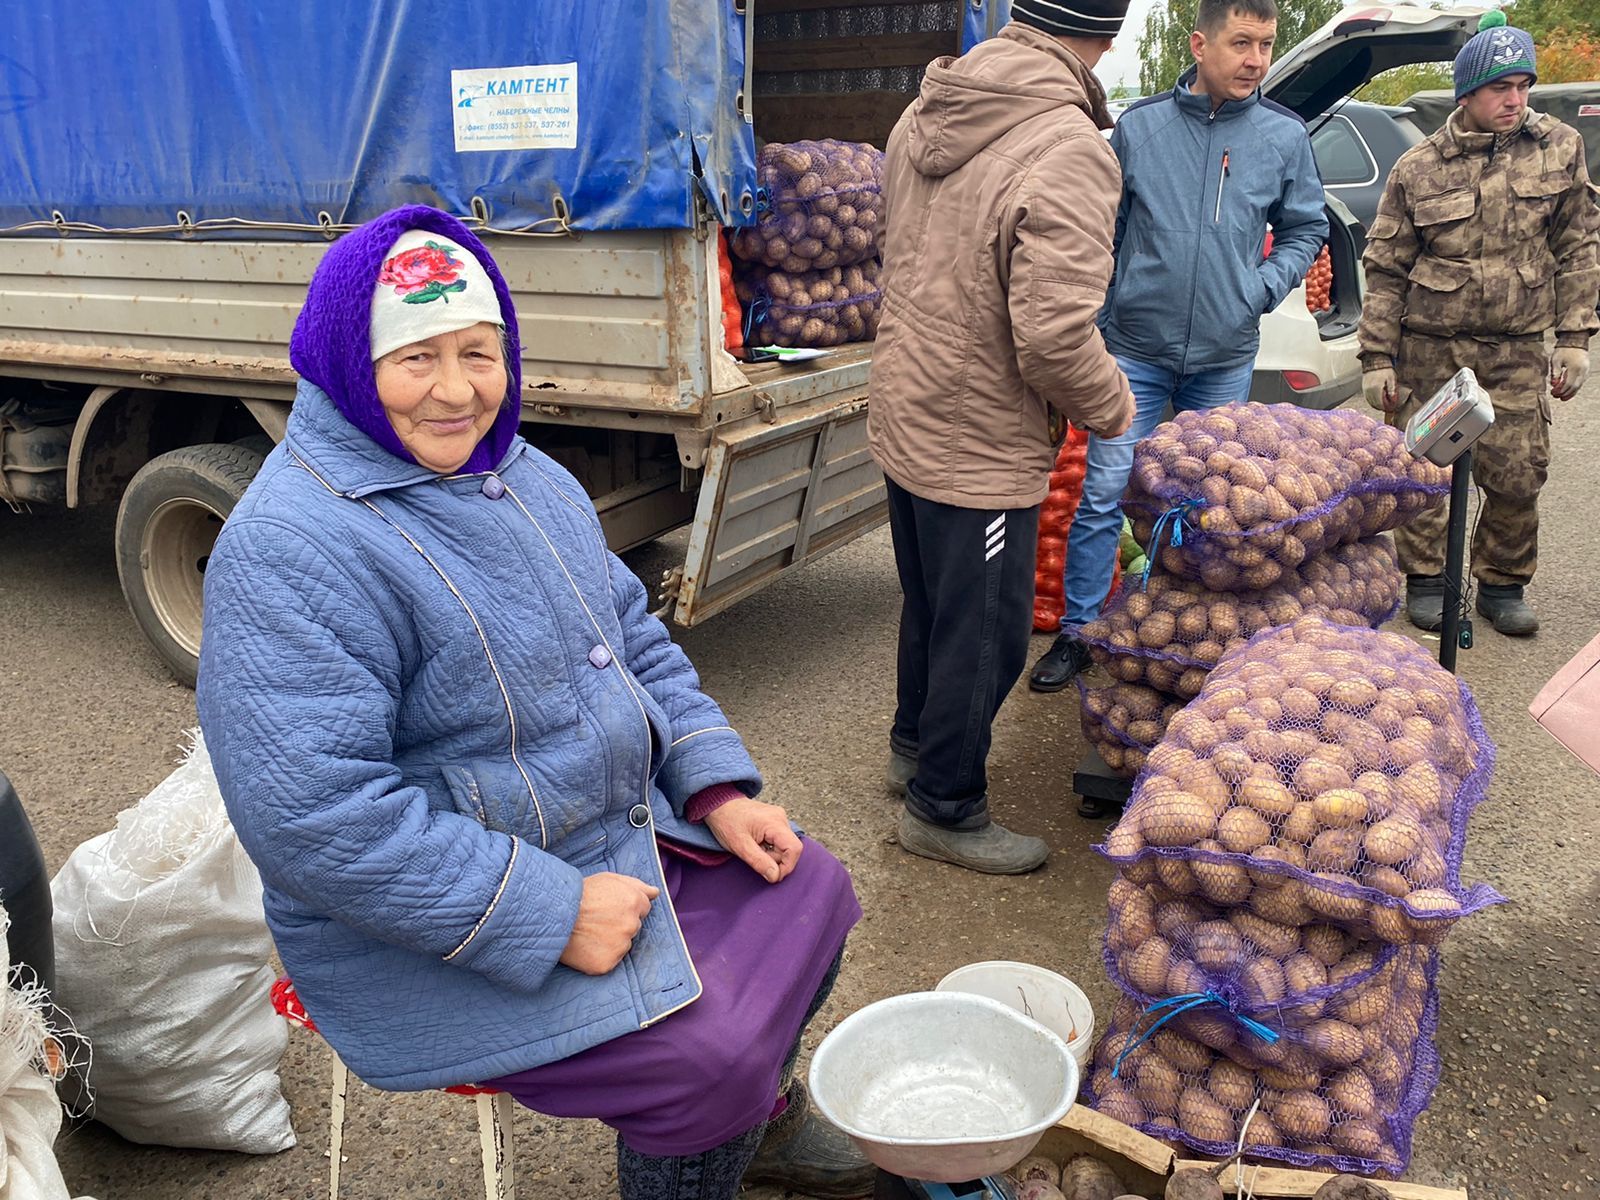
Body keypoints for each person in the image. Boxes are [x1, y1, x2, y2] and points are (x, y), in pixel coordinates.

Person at [195, 206, 872, 1200]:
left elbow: (631, 635)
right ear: (346, 360)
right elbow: (314, 819)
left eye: (480, 351)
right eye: (416, 357)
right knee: (706, 1060)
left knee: (814, 892)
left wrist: (713, 783)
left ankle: (753, 1121)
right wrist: (545, 912)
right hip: (433, 917)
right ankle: (727, 1116)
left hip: (606, 832)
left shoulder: (521, 472)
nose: (459, 391)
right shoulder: (289, 549)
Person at [867, 0, 1138, 875]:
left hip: (906, 404)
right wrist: (1116, 408)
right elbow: (1055, 336)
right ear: (1107, 35)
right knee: (985, 630)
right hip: (979, 438)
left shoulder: (926, 110)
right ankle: (945, 805)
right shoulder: (1069, 150)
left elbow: (902, 250)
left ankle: (915, 747)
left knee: (932, 601)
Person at [1029, 0, 1328, 693]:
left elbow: (1306, 227)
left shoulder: (1282, 135)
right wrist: (1105, 304)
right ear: (1200, 43)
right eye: (1242, 42)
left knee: (1207, 501)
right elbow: (1102, 229)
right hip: (1133, 347)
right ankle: (1081, 632)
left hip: (1223, 355)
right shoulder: (1139, 129)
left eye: (1266, 44)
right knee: (1104, 491)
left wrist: (1259, 287)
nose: (1256, 59)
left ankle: (1190, 636)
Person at [1357, 11, 1598, 637]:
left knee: (1519, 470)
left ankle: (1502, 583)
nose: (1514, 99)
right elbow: (1384, 266)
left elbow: (1578, 246)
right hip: (1432, 349)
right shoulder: (1418, 168)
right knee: (1429, 469)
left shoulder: (1561, 150)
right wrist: (1377, 357)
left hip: (1518, 347)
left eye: (1523, 85)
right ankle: (1429, 579)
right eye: (1500, 88)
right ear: (1467, 94)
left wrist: (1574, 340)